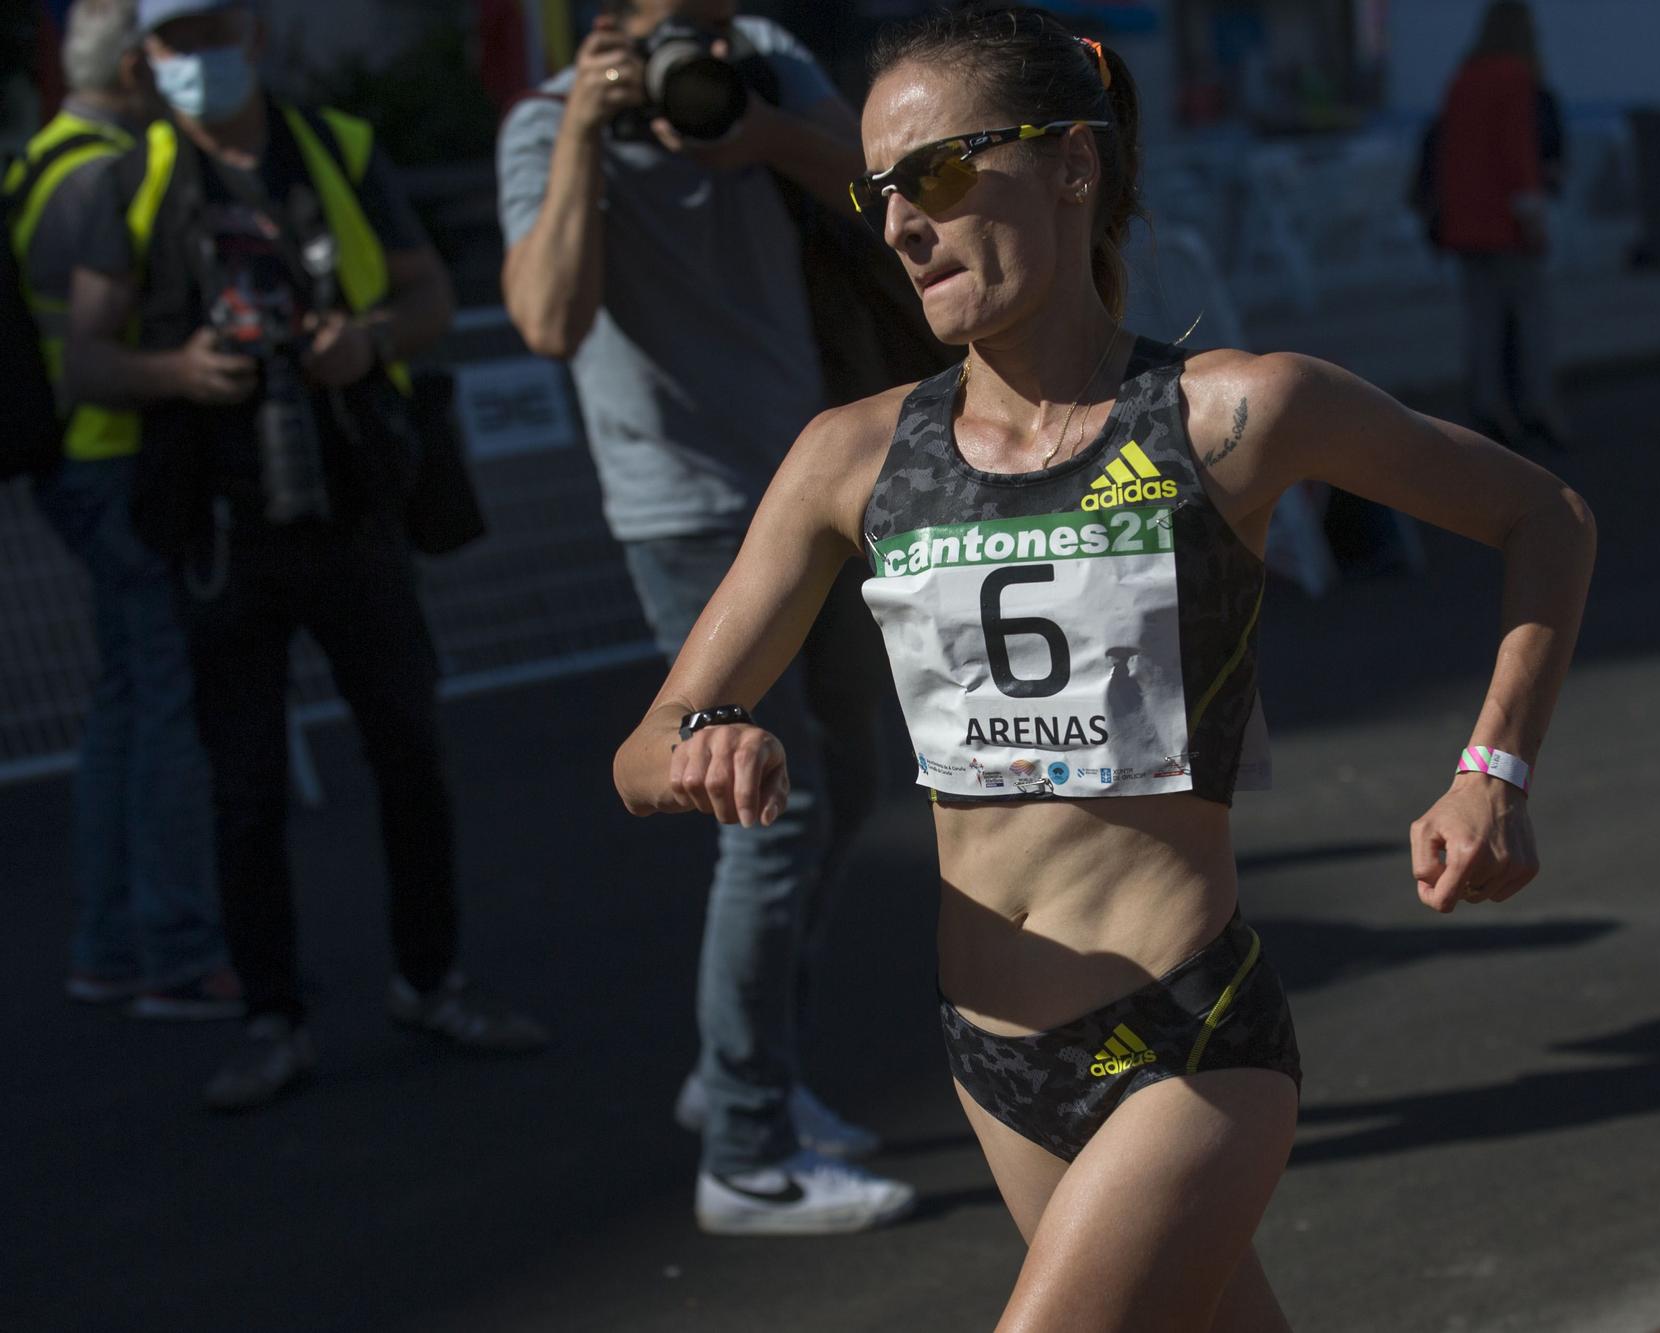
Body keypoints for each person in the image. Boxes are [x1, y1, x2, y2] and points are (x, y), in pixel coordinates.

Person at [611, 6, 1596, 1326]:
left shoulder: (1236, 414)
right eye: (880, 187)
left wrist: (1495, 767)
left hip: (1186, 1034)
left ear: (1073, 164)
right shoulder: (847, 459)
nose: (903, 221)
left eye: (942, 173)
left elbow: (1545, 518)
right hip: (994, 1053)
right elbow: (644, 746)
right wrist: (700, 747)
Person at [65, 0, 548, 1112]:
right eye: (177, 42)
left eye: (215, 30)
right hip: (223, 532)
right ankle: (270, 1014)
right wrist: (182, 373)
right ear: (147, 58)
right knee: (243, 788)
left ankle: (431, 977)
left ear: (257, 34)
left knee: (409, 756)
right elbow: (87, 361)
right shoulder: (125, 185)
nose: (200, 59)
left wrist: (362, 342)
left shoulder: (336, 149)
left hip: (351, 512)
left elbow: (427, 293)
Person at [497, 0, 914, 1235]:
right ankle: (744, 1148)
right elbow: (544, 320)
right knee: (762, 819)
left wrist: (765, 138)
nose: (688, 43)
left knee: (845, 783)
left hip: (809, 488)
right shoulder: (541, 128)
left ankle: (756, 1072)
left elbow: (890, 193)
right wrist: (582, 130)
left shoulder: (761, 66)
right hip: (682, 509)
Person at [3, 0, 237, 1021]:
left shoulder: (37, 158)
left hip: (69, 464)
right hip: (118, 459)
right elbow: (102, 344)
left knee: (122, 704)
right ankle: (176, 948)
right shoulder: (111, 172)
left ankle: (108, 940)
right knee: (167, 703)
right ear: (137, 73)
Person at [1434, 0, 1571, 454]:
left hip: (1465, 223)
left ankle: (1487, 406)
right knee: (1532, 317)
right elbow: (1517, 157)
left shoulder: (1462, 80)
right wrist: (1533, 219)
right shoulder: (1515, 78)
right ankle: (1538, 406)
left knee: (1482, 322)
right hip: (1505, 224)